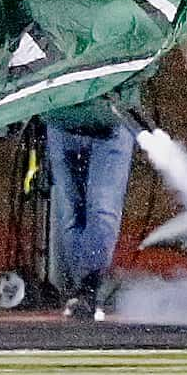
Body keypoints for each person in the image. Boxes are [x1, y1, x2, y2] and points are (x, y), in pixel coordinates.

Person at [41, 87, 137, 321]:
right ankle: (84, 286)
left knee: (101, 207)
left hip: (107, 119)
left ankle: (88, 285)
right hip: (63, 117)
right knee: (71, 211)